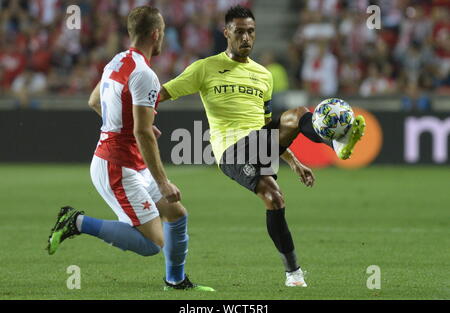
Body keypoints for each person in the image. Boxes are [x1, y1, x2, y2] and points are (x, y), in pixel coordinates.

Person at [158, 5, 365, 287]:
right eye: (240, 32)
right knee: (293, 124)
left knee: (276, 196)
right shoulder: (205, 68)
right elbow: (161, 94)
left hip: (258, 142)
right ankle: (336, 141)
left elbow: (270, 127)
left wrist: (294, 162)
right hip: (231, 149)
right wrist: (135, 113)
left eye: (251, 32)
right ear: (227, 33)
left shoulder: (263, 76)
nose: (246, 38)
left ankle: (294, 275)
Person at [46, 6, 214, 292]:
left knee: (176, 214)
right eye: (162, 35)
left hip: (128, 161)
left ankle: (176, 281)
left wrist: (130, 126)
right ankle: (77, 221)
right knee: (152, 244)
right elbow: (141, 132)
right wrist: (162, 179)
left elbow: (93, 101)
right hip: (116, 166)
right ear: (156, 34)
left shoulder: (116, 61)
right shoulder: (145, 74)